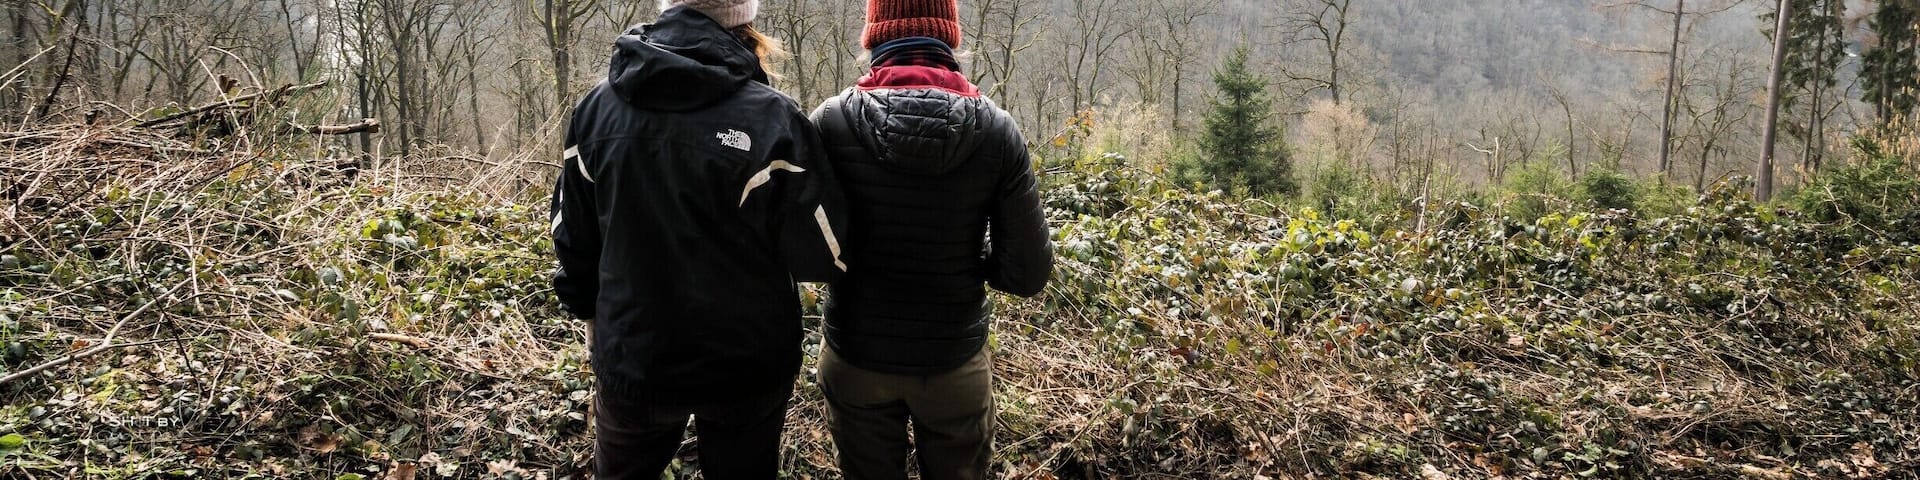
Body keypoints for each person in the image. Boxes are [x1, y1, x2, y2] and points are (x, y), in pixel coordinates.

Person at [548, 0, 847, 478]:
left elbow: (571, 235)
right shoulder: (773, 119)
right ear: (743, 17)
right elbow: (822, 253)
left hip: (633, 356)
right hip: (745, 368)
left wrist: (593, 318)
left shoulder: (597, 110)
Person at [809, 0, 1053, 478]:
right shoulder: (997, 131)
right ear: (950, 36)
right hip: (952, 363)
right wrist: (968, 259)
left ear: (874, 35)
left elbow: (807, 253)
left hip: (857, 357)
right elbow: (1027, 273)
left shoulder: (829, 123)